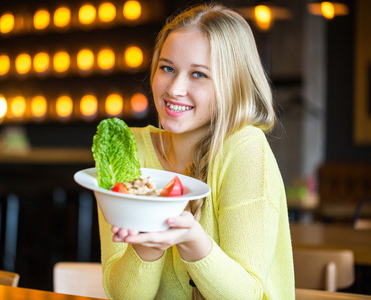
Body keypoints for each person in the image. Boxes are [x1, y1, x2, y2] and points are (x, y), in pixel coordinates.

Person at [97, 3, 295, 299]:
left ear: (233, 84)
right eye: (167, 68)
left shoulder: (244, 148)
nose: (175, 88)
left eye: (199, 74)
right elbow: (124, 296)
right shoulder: (127, 148)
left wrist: (192, 240)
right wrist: (146, 248)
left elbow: (246, 294)